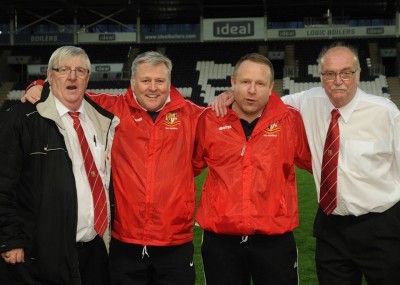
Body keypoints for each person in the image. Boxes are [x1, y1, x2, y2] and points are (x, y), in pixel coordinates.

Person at [213, 42, 400, 285]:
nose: (338, 80)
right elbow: (263, 99)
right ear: (320, 75)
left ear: (358, 74)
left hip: (380, 225)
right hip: (330, 228)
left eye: (346, 72)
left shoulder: (385, 112)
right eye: (329, 74)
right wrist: (231, 94)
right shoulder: (308, 101)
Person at [23, 51, 203, 285]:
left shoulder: (193, 115)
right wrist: (39, 85)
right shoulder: (110, 108)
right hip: (124, 238)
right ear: (132, 83)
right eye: (145, 80)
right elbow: (71, 91)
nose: (153, 88)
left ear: (170, 83)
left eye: (160, 81)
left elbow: (209, 150)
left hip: (175, 240)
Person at [0, 46, 118, 285]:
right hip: (42, 254)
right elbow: (3, 183)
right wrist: (9, 240)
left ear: (88, 79)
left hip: (94, 249)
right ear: (50, 77)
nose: (72, 76)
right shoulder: (21, 118)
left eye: (80, 71)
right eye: (63, 70)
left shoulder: (101, 120)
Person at [193, 53, 312, 285]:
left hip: (274, 238)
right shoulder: (209, 120)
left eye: (260, 83)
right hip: (221, 241)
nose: (252, 90)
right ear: (233, 82)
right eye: (245, 82)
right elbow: (189, 166)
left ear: (271, 88)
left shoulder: (290, 121)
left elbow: (315, 163)